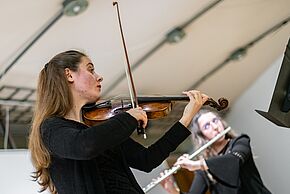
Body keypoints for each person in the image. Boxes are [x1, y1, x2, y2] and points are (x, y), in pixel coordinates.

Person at [28, 50, 209, 194]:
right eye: (90, 69)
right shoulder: (51, 128)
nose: (99, 77)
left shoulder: (97, 127)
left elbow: (146, 160)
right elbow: (84, 146)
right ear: (69, 75)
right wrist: (129, 117)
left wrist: (185, 118)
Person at [160, 108, 272, 194]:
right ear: (202, 136)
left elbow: (234, 160)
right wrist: (173, 190)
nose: (214, 127)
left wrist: (197, 164)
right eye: (207, 126)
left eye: (215, 120)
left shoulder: (240, 142)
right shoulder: (204, 167)